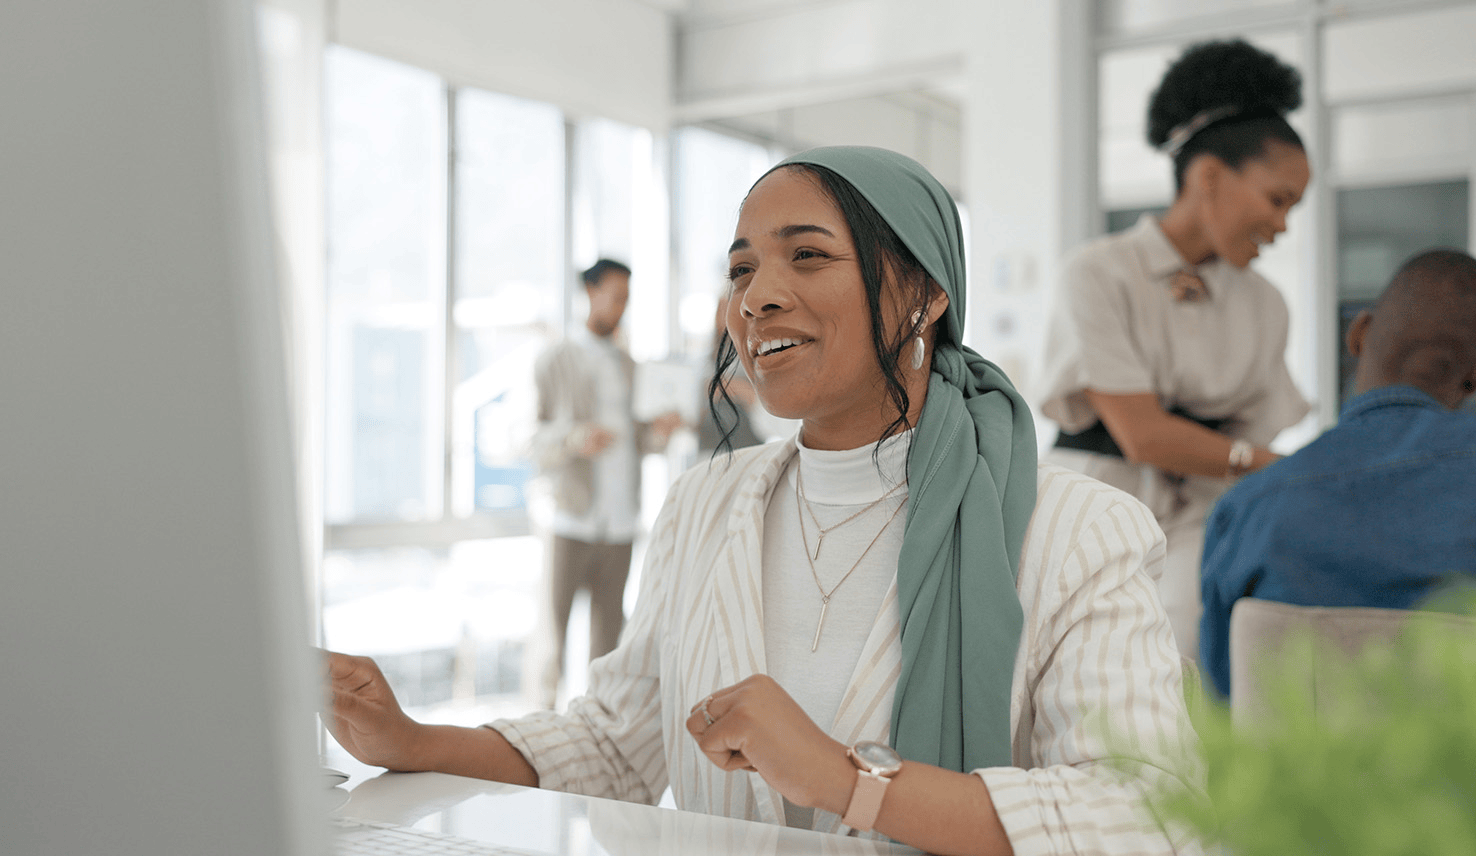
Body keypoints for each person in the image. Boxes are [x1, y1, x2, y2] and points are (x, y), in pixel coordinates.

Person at [327, 146, 1203, 855]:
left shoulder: (1075, 531)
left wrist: (845, 778)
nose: (757, 296)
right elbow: (614, 743)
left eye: (808, 255)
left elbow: (1148, 813)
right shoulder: (706, 503)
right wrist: (412, 740)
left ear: (927, 294)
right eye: (741, 268)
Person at [1037, 39, 1312, 659]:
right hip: (1093, 505)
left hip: (1202, 518)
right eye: (1278, 199)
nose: (1284, 225)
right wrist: (1271, 466)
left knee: (1189, 670)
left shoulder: (1267, 304)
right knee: (1074, 673)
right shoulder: (1098, 272)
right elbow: (1143, 435)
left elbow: (1247, 440)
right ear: (1208, 176)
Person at [1198, 249, 1476, 698]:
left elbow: (1222, 709)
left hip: (1297, 768)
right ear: (1473, 376)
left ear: (1359, 333)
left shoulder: (1247, 511)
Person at [526, 258, 680, 709]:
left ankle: (598, 730)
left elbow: (640, 442)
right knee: (551, 636)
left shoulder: (629, 366)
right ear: (590, 293)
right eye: (615, 295)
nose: (621, 306)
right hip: (569, 517)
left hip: (619, 521)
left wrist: (660, 433)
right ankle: (536, 729)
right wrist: (576, 438)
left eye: (627, 298)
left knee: (609, 639)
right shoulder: (556, 358)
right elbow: (526, 437)